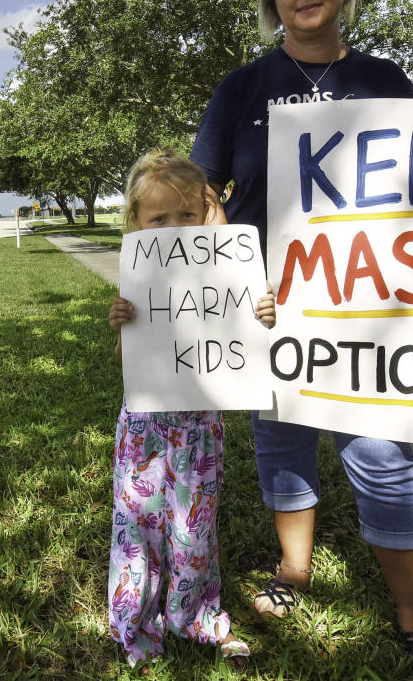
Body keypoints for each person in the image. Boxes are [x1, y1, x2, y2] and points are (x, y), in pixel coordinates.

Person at [190, 0, 413, 681]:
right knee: (280, 441)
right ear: (272, 0)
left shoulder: (385, 80)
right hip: (269, 308)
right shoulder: (240, 88)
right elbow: (201, 188)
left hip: (363, 307)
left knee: (380, 453)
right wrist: (219, 234)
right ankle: (295, 571)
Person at [106, 148, 276, 672]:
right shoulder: (140, 281)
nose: (175, 228)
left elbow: (248, 343)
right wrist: (121, 328)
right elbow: (127, 362)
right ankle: (135, 622)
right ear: (136, 222)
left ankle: (196, 616)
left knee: (193, 531)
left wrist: (264, 314)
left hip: (199, 434)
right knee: (137, 529)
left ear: (205, 215)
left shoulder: (229, 275)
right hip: (143, 431)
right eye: (160, 218)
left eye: (187, 214)